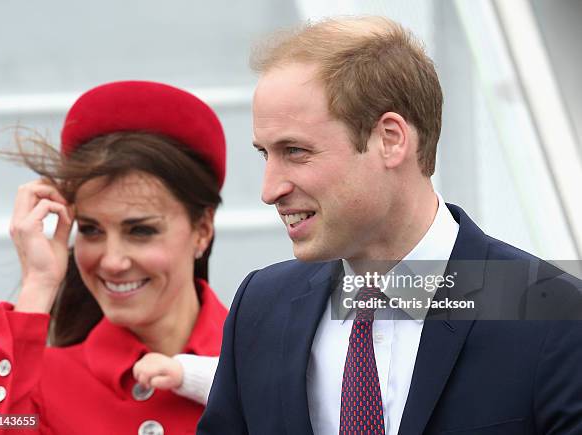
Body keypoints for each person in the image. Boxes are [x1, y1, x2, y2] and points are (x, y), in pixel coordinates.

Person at [198, 16, 582, 435]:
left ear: (391, 139)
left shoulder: (554, 316)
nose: (269, 189)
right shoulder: (260, 308)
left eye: (295, 151)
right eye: (264, 154)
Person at [0, 80, 227, 434]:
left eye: (140, 231)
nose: (112, 261)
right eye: (91, 230)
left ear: (203, 229)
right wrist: (38, 286)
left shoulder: (269, 362)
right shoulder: (36, 384)